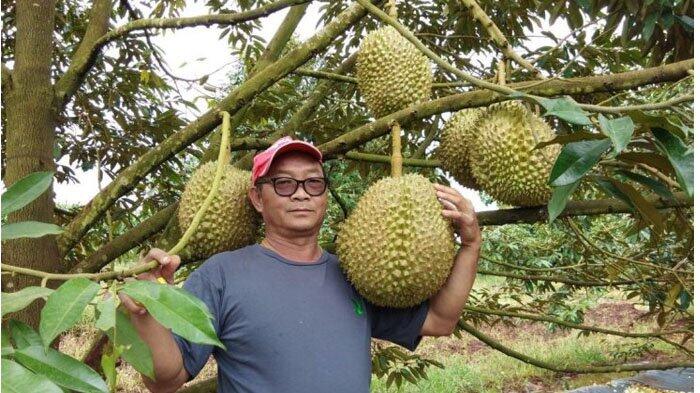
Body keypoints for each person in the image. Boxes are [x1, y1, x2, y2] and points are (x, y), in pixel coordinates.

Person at [119, 136, 481, 393]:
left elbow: (440, 321)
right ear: (257, 198)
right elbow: (166, 380)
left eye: (313, 182)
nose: (302, 193)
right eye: (284, 183)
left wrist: (470, 244)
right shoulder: (220, 275)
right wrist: (145, 312)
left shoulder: (357, 275)